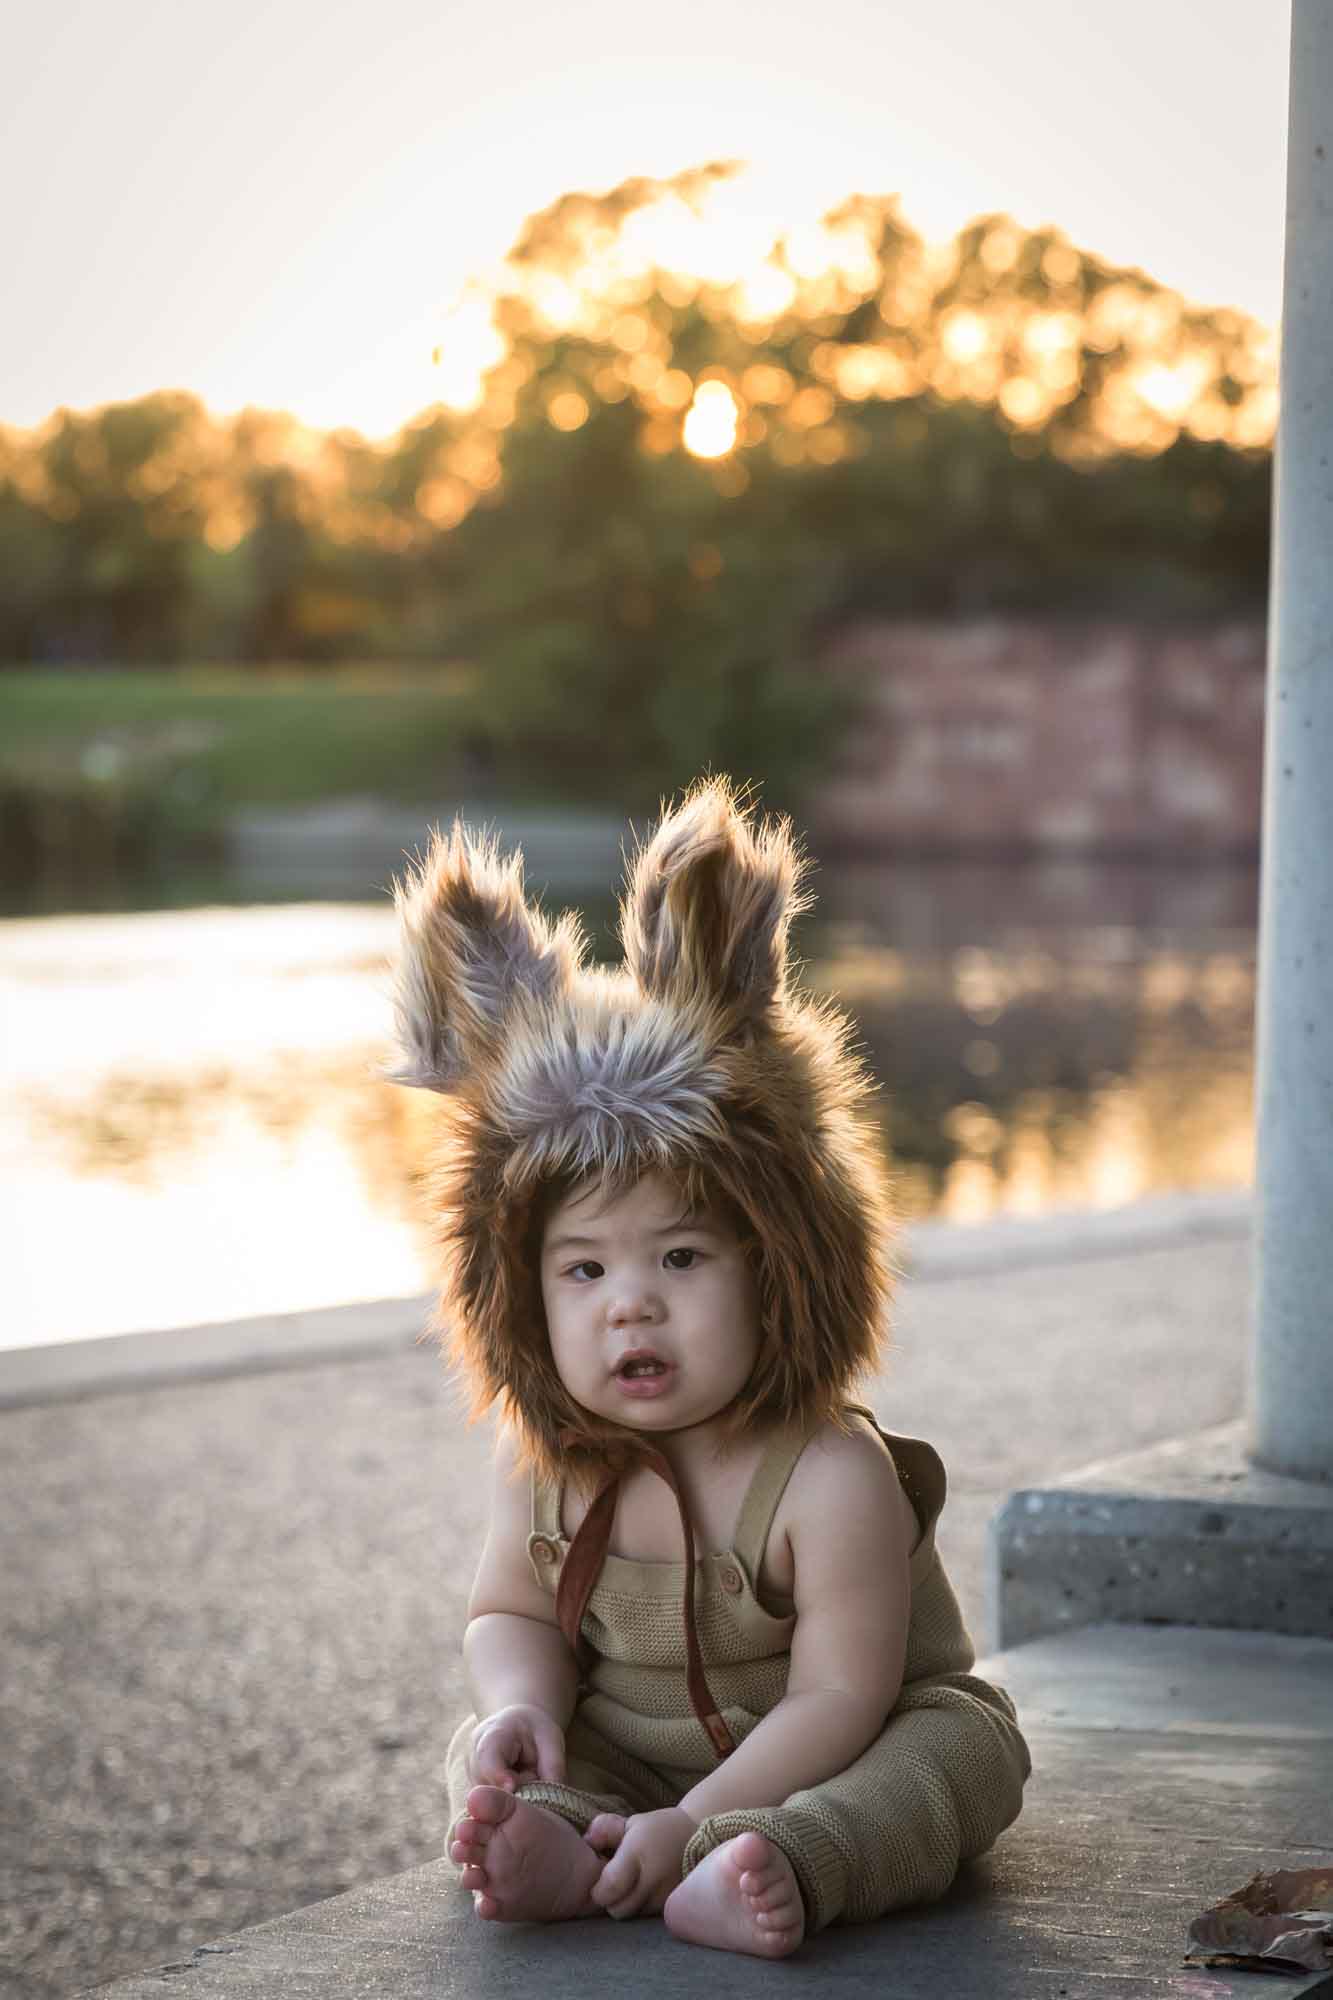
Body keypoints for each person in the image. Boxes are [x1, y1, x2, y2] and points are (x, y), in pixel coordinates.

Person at [387, 777, 1030, 1958]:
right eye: (581, 1271)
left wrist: (696, 1821)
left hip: (834, 1747)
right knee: (489, 1748)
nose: (630, 1299)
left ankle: (775, 1863)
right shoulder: (545, 1461)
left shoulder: (829, 1473)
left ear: (776, 1262)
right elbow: (506, 1608)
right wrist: (518, 1704)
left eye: (679, 1255)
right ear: (520, 1297)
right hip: (635, 1756)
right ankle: (559, 1835)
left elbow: (836, 1695)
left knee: (964, 1750)